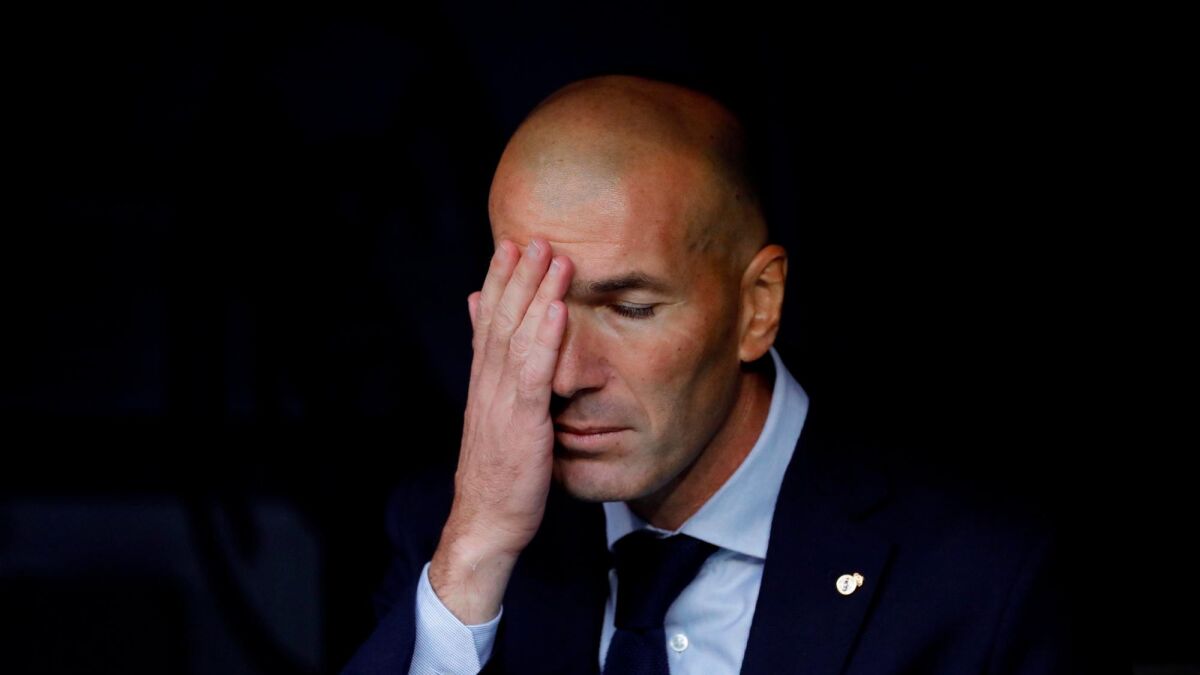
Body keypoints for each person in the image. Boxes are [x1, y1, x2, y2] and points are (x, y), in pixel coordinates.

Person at [341, 74, 1110, 674]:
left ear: (757, 306)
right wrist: (477, 547)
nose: (565, 373)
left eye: (630, 308)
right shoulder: (450, 534)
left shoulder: (980, 577)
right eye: (531, 307)